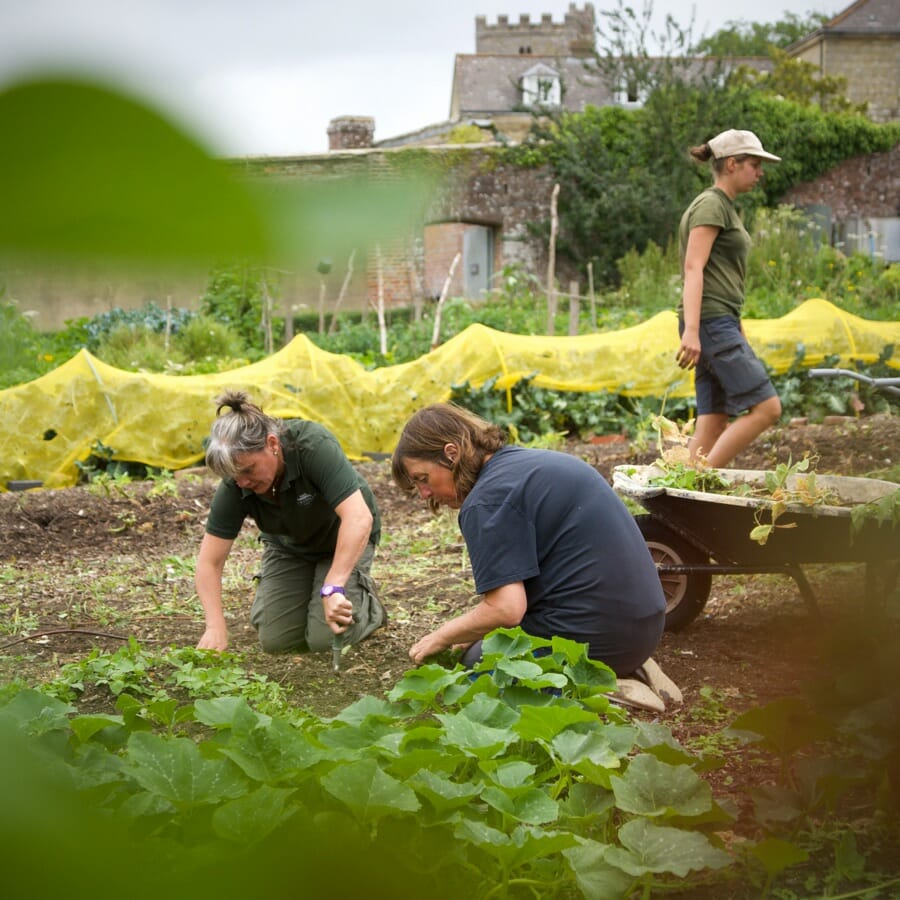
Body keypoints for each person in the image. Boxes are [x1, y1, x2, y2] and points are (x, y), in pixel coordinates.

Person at [391, 402, 680, 710]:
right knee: (481, 644)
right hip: (644, 623)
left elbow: (506, 610)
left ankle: (601, 685)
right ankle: (633, 665)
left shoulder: (486, 502)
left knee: (477, 672)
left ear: (451, 453)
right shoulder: (519, 465)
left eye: (422, 478)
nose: (423, 494)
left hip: (605, 635)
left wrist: (442, 636)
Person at [194, 389, 385, 656]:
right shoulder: (236, 481)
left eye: (248, 470)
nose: (243, 482)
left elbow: (358, 517)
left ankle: (369, 607)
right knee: (276, 641)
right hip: (290, 546)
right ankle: (311, 592)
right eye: (235, 476)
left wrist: (333, 586)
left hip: (342, 537)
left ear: (272, 444)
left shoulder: (312, 445)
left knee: (325, 640)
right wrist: (214, 626)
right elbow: (209, 561)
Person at [676, 128, 783, 468]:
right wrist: (692, 331)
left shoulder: (724, 206)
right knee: (767, 408)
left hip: (717, 322)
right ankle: (702, 479)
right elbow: (694, 268)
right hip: (708, 322)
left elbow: (721, 276)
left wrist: (735, 326)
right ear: (732, 164)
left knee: (714, 419)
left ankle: (683, 491)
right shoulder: (711, 204)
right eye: (754, 164)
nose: (760, 172)